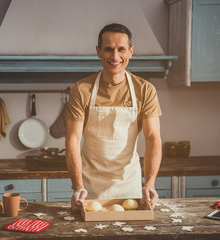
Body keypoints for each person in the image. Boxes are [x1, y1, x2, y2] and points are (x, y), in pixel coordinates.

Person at [65, 23, 162, 211]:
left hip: (130, 188)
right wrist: (78, 186)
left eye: (121, 49)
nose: (115, 57)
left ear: (131, 51)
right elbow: (73, 139)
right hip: (89, 189)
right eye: (108, 49)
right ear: (98, 51)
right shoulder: (82, 89)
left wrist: (150, 183)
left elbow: (152, 138)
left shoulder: (144, 90)